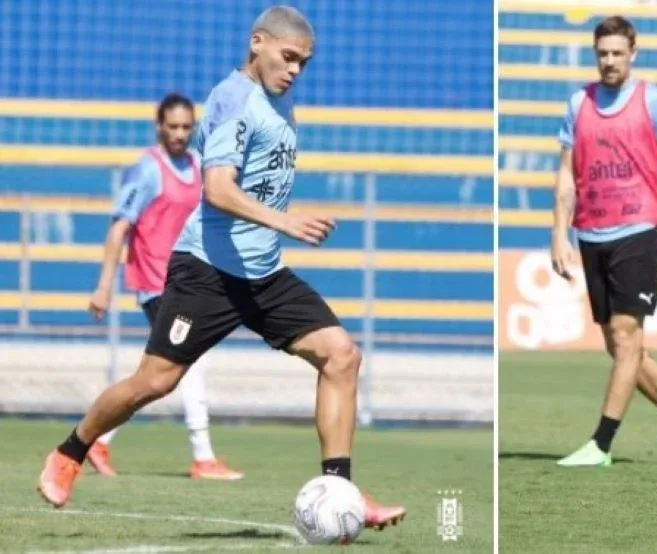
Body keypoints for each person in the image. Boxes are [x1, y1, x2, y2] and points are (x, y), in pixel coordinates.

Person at [37, 6, 406, 530]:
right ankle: (70, 453)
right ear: (257, 43)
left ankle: (342, 493)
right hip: (207, 272)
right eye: (288, 56)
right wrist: (285, 221)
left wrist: (276, 231)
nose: (296, 69)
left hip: (263, 274)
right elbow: (217, 189)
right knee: (154, 383)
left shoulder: (280, 97)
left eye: (304, 62)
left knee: (341, 356)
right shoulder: (232, 100)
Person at [549, 15, 657, 468]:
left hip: (640, 230)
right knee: (621, 346)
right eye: (603, 53)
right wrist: (559, 232)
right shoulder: (579, 102)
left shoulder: (652, 100)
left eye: (618, 53)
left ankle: (601, 443)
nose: (610, 61)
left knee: (625, 334)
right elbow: (566, 172)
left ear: (632, 54)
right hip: (591, 232)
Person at [86, 93, 243, 482]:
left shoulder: (196, 166)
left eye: (187, 127)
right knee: (188, 363)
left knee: (159, 372)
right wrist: (104, 286)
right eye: (172, 126)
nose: (179, 134)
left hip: (189, 281)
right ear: (159, 126)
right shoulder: (147, 169)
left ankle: (98, 438)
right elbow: (119, 226)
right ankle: (203, 457)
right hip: (156, 283)